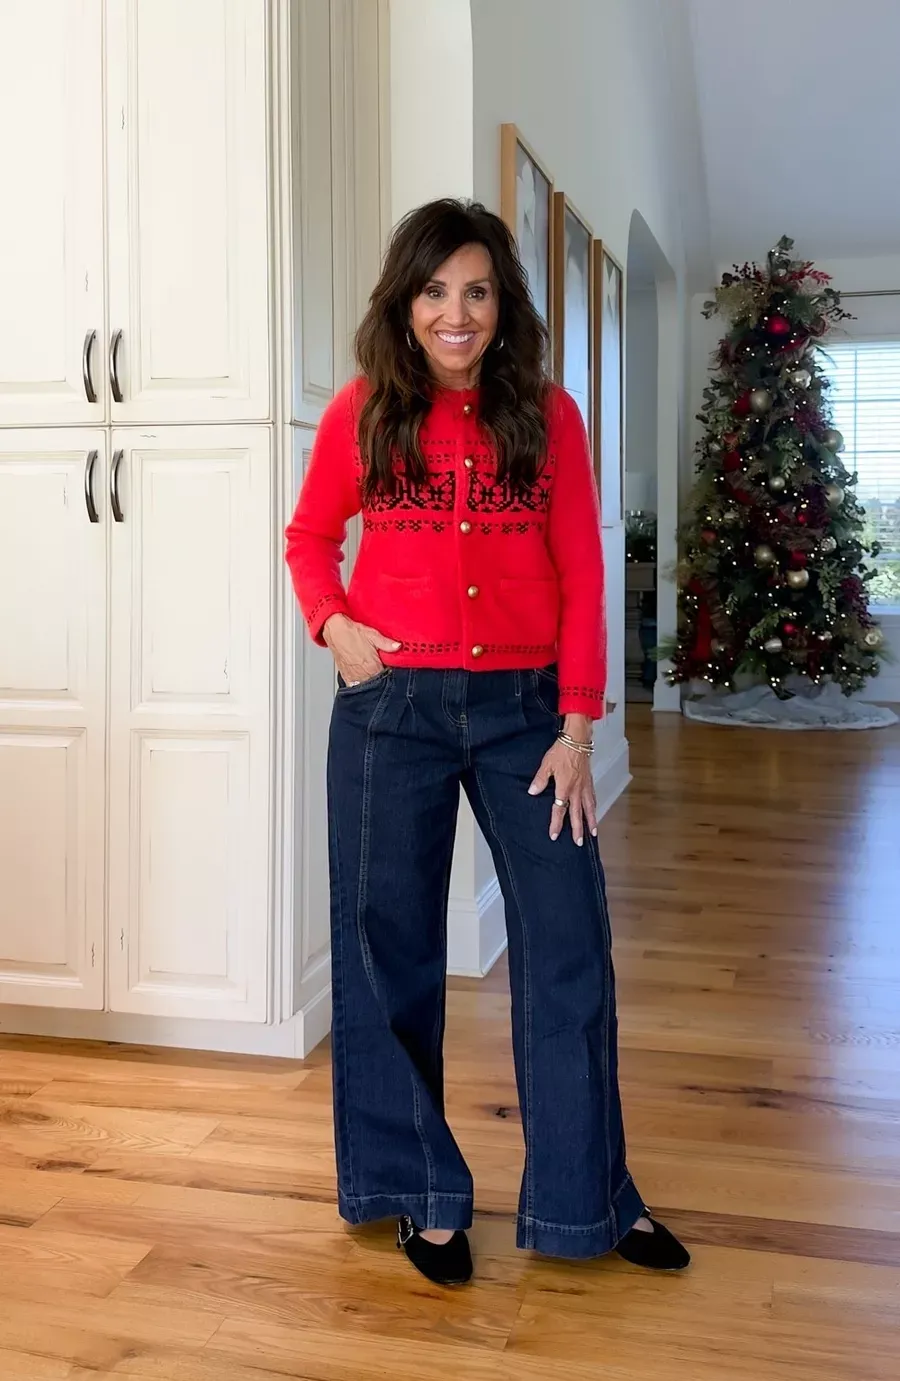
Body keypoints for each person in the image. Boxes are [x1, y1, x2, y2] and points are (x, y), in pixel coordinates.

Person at [286, 199, 689, 1286]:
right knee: (386, 952)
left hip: (524, 715)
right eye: (434, 291)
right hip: (393, 709)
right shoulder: (363, 413)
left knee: (565, 948)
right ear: (404, 304)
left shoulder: (549, 417)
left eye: (475, 290)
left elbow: (582, 570)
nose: (455, 313)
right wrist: (335, 626)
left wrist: (577, 725)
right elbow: (311, 537)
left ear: (502, 303)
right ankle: (415, 1190)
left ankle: (587, 1198)